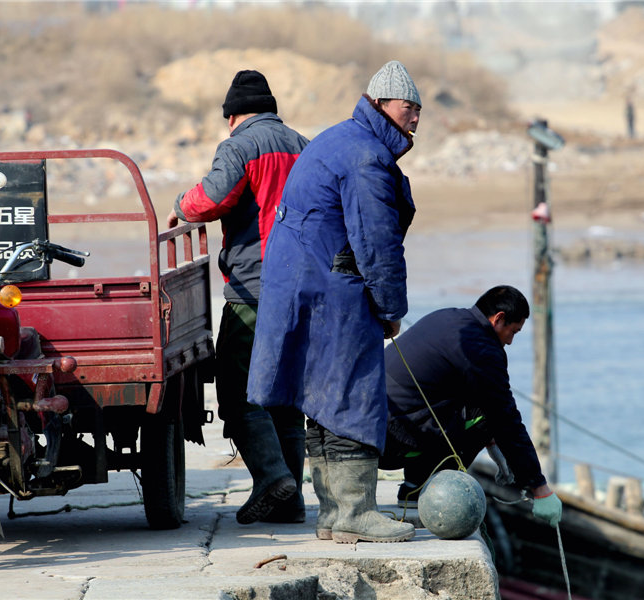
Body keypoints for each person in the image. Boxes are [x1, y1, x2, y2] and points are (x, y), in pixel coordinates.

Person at [247, 60, 422, 543]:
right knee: (350, 393)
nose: (415, 119)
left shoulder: (340, 138)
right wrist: (390, 308)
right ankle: (354, 513)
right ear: (382, 104)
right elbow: (376, 240)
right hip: (331, 287)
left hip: (302, 283)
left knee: (321, 399)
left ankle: (332, 514)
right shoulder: (365, 156)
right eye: (409, 108)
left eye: (419, 110)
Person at [167, 69, 310, 525]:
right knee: (286, 395)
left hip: (256, 288)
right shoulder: (302, 144)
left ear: (231, 116)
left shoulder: (240, 145)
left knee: (237, 391)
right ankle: (291, 503)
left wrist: (178, 207)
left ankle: (271, 477)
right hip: (305, 287)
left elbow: (210, 199)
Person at [379, 285, 563, 528]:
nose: (510, 341)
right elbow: (506, 419)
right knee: (491, 416)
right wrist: (539, 488)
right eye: (513, 332)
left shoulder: (447, 317)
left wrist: (493, 445)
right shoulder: (481, 347)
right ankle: (422, 486)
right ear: (499, 319)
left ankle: (415, 484)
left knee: (478, 403)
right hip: (394, 441)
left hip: (370, 428)